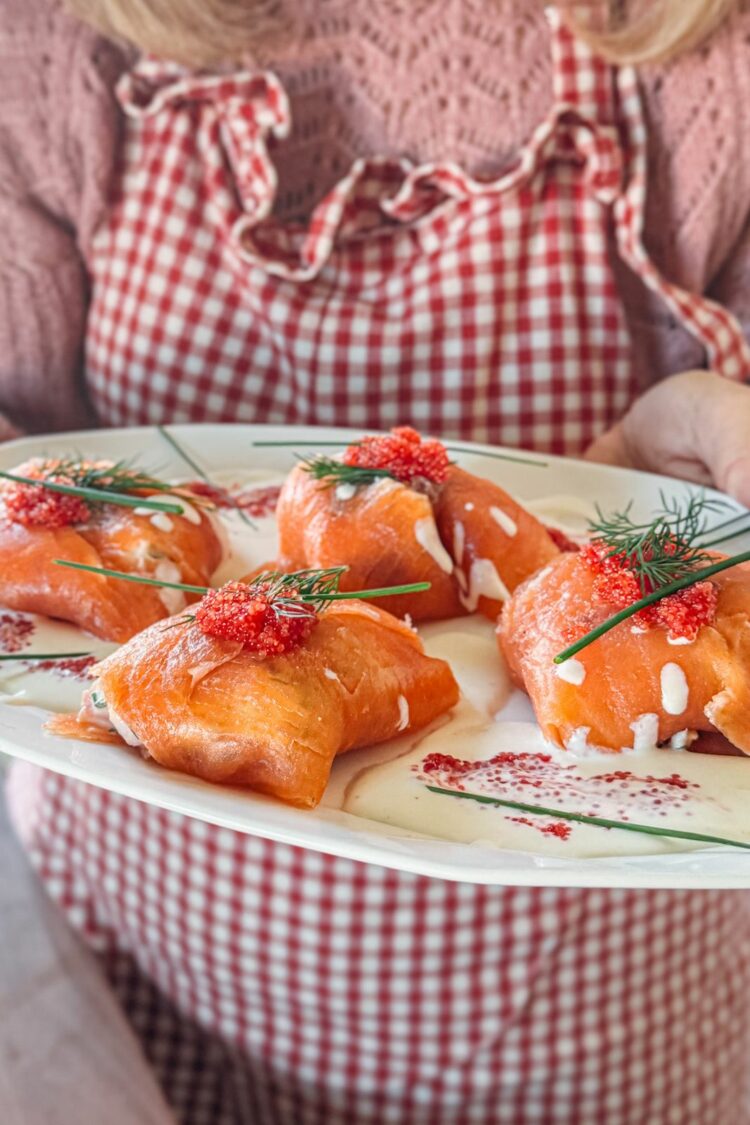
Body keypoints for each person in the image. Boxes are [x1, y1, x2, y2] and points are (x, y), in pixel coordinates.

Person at [3, 0, 750, 1120]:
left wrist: (696, 444)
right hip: (132, 943)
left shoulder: (714, 59)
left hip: (589, 1017)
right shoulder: (53, 35)